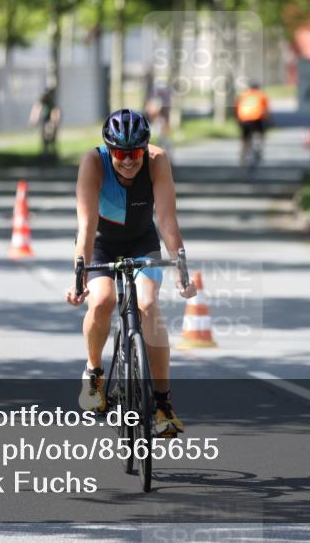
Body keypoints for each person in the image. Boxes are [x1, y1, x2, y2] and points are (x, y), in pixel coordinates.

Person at [65, 109, 197, 437]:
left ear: (145, 149)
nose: (128, 161)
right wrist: (79, 278)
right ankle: (94, 373)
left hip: (142, 242)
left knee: (149, 306)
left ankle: (164, 404)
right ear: (109, 150)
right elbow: (86, 226)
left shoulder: (157, 162)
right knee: (103, 300)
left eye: (135, 152)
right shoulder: (92, 164)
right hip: (101, 244)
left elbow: (166, 220)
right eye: (120, 154)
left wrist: (181, 266)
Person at [235, 81, 271, 167]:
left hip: (244, 119)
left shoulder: (243, 95)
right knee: (262, 133)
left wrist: (237, 120)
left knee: (245, 140)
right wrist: (268, 121)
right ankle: (260, 148)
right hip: (257, 118)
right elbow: (266, 110)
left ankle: (242, 159)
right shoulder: (261, 95)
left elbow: (236, 108)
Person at [28, 84, 61, 162]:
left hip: (50, 122)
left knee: (52, 140)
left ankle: (53, 156)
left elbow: (55, 112)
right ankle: (45, 156)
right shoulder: (41, 102)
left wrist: (54, 122)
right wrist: (33, 120)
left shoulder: (51, 103)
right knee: (44, 141)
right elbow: (36, 110)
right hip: (44, 122)